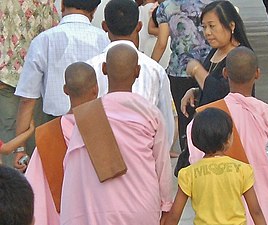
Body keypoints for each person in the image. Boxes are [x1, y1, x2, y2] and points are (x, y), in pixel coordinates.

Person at [60, 44, 173, 225]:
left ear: (104, 69)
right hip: (143, 208)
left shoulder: (89, 115)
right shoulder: (151, 114)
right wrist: (166, 204)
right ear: (137, 71)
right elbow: (162, 164)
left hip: (98, 209)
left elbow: (72, 166)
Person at [187, 46, 268, 225]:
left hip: (221, 210)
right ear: (258, 74)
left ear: (225, 73)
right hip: (265, 204)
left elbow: (197, 163)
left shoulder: (204, 117)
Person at [14, 0, 110, 171]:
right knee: (93, 184)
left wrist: (20, 148)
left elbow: (27, 99)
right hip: (96, 125)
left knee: (56, 187)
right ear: (94, 10)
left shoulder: (43, 41)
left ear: (62, 5)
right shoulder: (104, 40)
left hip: (55, 127)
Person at [87, 0, 174, 146]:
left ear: (104, 27)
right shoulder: (154, 69)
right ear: (139, 26)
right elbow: (166, 125)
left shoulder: (90, 67)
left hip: (100, 155)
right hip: (144, 153)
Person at [25, 62, 99, 225]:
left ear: (65, 90)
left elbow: (35, 190)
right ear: (96, 89)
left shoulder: (49, 135)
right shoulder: (106, 129)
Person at [165, 108, 267, 225]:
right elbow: (256, 211)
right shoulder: (242, 170)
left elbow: (174, 215)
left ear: (195, 140)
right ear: (228, 140)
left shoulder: (188, 174)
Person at [0, 0, 59, 167]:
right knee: (35, 142)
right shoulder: (46, 3)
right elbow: (53, 34)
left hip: (6, 78)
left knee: (8, 139)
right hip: (36, 80)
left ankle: (9, 189)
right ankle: (33, 188)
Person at [151, 0, 212, 150]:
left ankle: (187, 154)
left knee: (184, 116)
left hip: (179, 70)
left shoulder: (165, 7)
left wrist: (150, 65)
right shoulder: (211, 3)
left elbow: (162, 42)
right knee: (211, 114)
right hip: (208, 68)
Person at [181, 0, 252, 117]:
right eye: (204, 27)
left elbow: (224, 95)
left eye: (212, 26)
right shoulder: (216, 50)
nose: (207, 32)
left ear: (231, 26)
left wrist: (197, 70)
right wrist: (196, 91)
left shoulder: (240, 56)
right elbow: (213, 83)